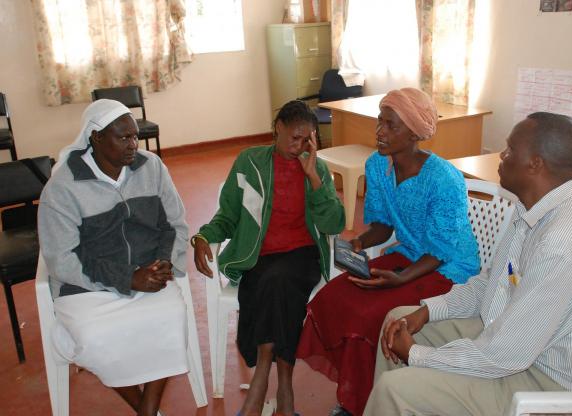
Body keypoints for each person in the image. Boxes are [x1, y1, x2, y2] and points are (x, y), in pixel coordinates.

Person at [367, 112, 572, 416]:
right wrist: (428, 310)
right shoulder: (534, 205)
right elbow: (491, 282)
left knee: (396, 389)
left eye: (511, 149)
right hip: (514, 335)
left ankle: (396, 400)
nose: (501, 155)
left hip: (552, 379)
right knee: (397, 320)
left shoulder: (562, 242)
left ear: (535, 164)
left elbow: (505, 355)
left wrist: (417, 355)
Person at [296, 88, 481, 416]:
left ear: (414, 133)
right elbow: (382, 226)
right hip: (410, 256)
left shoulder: (444, 179)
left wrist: (398, 280)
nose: (379, 132)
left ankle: (361, 403)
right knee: (337, 295)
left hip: (448, 268)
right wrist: (359, 243)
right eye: (380, 122)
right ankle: (357, 393)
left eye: (390, 126)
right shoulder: (378, 165)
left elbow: (440, 251)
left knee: (372, 315)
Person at [192, 100, 345, 416]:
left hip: (303, 257)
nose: (300, 146)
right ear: (278, 128)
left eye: (307, 139)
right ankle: (284, 389)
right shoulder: (250, 162)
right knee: (274, 284)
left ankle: (262, 378)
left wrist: (314, 178)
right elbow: (228, 215)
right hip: (257, 256)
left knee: (280, 281)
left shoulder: (317, 168)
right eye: (294, 137)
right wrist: (204, 236)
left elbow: (334, 224)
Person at [38, 99, 189, 416]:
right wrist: (126, 277)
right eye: (123, 138)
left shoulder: (151, 168)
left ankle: (147, 411)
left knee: (171, 318)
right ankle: (148, 411)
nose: (134, 145)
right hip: (87, 287)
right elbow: (62, 260)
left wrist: (162, 263)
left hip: (150, 275)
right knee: (95, 338)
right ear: (95, 138)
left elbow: (175, 223)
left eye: (135, 136)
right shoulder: (63, 187)